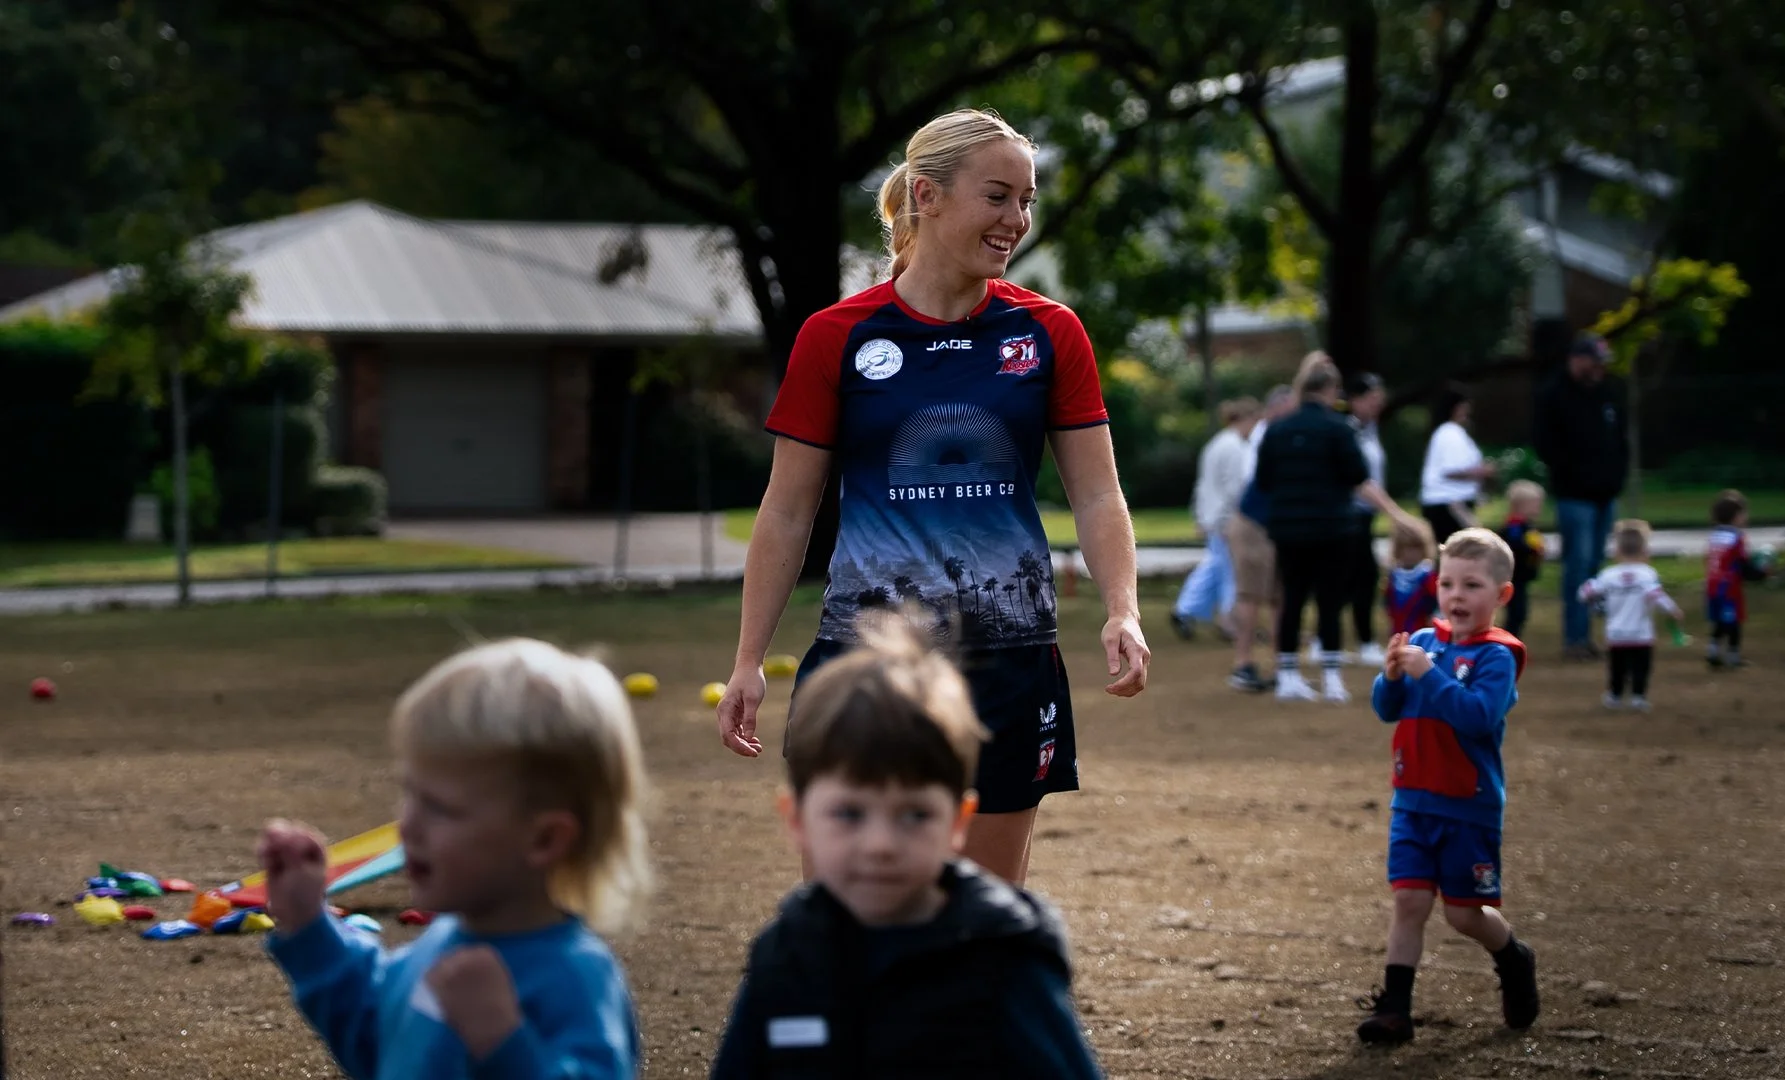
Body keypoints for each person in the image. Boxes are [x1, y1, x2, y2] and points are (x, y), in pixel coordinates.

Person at [715, 108, 1150, 888]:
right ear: (927, 194)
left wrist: (1124, 607)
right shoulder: (836, 335)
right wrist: (750, 658)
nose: (1016, 220)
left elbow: (1098, 493)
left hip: (1011, 659)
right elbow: (787, 509)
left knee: (981, 921)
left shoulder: (1050, 332)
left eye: (1027, 200)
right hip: (865, 662)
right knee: (847, 912)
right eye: (998, 196)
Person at [710, 616, 1102, 1079]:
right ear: (797, 820)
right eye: (850, 814)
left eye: (915, 815)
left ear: (958, 821)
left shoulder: (1005, 957)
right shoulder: (786, 956)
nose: (880, 845)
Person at [260, 639, 653, 1079]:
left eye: (440, 808)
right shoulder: (440, 946)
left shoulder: (575, 978)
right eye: (410, 796)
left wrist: (503, 1043)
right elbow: (376, 1040)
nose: (408, 826)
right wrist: (310, 927)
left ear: (543, 839)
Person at [1360, 528, 1539, 1045]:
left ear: (1501, 595)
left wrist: (1429, 676)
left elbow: (1478, 717)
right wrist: (1391, 677)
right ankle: (1394, 1010)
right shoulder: (1421, 641)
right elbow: (1385, 710)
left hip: (1468, 806)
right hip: (1413, 801)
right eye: (1448, 583)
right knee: (1409, 903)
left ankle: (1512, 956)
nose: (1456, 596)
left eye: (1472, 585)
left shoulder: (1497, 657)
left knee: (1463, 913)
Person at [1254, 357, 1419, 704]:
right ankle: (1330, 678)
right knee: (1329, 601)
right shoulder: (1338, 429)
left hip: (1288, 529)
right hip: (1332, 528)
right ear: (1330, 390)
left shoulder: (1278, 429)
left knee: (1293, 599)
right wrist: (1394, 512)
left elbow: (1264, 480)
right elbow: (1358, 477)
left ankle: (1287, 676)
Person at [1535, 334, 1629, 661]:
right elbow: (1546, 445)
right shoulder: (1554, 395)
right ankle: (1574, 638)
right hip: (1575, 497)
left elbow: (1620, 439)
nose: (1600, 367)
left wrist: (1617, 476)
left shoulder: (1608, 394)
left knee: (1595, 566)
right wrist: (1574, 474)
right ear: (1576, 359)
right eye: (1594, 361)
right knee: (1577, 566)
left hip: (1605, 495)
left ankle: (1588, 636)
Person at [1171, 397, 1261, 641]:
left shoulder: (1218, 443)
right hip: (1226, 518)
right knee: (1229, 570)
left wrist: (1200, 515)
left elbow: (1204, 485)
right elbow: (1237, 488)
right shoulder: (1235, 447)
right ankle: (1227, 619)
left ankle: (1188, 609)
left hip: (1215, 516)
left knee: (1216, 566)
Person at [1224, 385, 1295, 692]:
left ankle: (1283, 665)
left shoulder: (1277, 433)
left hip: (1274, 524)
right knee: (1251, 595)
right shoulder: (1266, 435)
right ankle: (1243, 664)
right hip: (1254, 523)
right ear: (1276, 408)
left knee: (1279, 596)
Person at [1577, 520, 1684, 711]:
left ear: (1617, 550)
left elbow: (1585, 592)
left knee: (1617, 667)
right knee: (1641, 667)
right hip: (1641, 633)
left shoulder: (1608, 575)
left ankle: (1615, 696)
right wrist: (1673, 610)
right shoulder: (1647, 574)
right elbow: (1656, 596)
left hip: (1616, 633)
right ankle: (1638, 697)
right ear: (1645, 550)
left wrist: (1596, 604)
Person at [1340, 372, 1391, 667]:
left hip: (1366, 513)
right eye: (1372, 399)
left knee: (1353, 577)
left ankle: (1331, 635)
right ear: (1355, 400)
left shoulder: (1370, 429)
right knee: (1363, 575)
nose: (1377, 404)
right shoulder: (1350, 431)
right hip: (1352, 513)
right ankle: (1365, 641)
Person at [1704, 489, 1773, 669]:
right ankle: (1733, 656)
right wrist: (1761, 573)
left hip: (1712, 586)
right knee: (1733, 623)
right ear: (1735, 516)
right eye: (1744, 513)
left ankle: (1713, 650)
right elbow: (1742, 565)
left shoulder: (1714, 536)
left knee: (1718, 621)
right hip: (1729, 588)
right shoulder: (1736, 538)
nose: (1746, 517)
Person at [1419, 385, 1496, 545]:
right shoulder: (1449, 433)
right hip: (1450, 505)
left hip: (1451, 504)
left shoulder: (1451, 432)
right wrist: (1482, 472)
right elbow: (1451, 470)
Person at [1499, 480, 1547, 640]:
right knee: (1516, 612)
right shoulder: (1514, 526)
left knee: (1521, 612)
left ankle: (1512, 641)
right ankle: (1508, 642)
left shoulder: (1527, 526)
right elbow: (1515, 546)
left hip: (1522, 577)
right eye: (1535, 504)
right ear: (1520, 505)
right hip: (1514, 578)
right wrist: (1532, 549)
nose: (1538, 508)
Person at [1383, 518, 1440, 638]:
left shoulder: (1428, 575)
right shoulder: (1394, 575)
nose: (1410, 553)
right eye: (1405, 548)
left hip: (1422, 632)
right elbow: (1388, 602)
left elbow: (1435, 602)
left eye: (1415, 548)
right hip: (1398, 630)